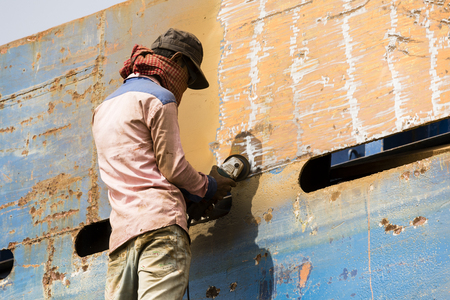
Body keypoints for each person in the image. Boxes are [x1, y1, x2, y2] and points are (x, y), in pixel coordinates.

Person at [92, 28, 236, 300]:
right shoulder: (159, 98)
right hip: (161, 232)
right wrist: (209, 186)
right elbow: (173, 168)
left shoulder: (103, 109)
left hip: (121, 240)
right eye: (189, 77)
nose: (185, 87)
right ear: (179, 62)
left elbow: (139, 171)